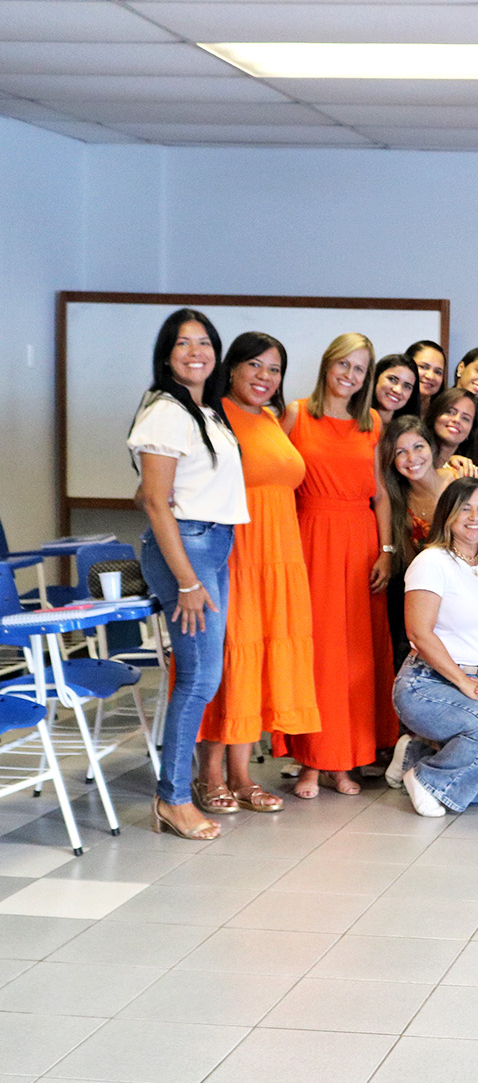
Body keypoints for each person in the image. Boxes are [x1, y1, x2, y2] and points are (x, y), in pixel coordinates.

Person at [129, 308, 249, 840]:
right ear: (166, 354)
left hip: (212, 543)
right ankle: (172, 799)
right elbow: (156, 502)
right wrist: (186, 581)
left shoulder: (205, 410)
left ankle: (174, 793)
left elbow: (149, 492)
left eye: (205, 342)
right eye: (183, 343)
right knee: (199, 677)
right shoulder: (164, 411)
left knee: (204, 675)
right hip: (189, 549)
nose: (196, 352)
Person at [193, 331, 318, 817]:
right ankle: (209, 776)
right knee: (229, 659)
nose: (265, 377)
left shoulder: (269, 419)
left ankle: (242, 776)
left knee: (259, 660)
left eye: (275, 369)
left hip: (279, 557)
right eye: (255, 365)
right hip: (236, 555)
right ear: (232, 367)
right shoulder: (213, 415)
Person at [280, 331, 397, 798]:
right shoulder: (295, 414)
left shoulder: (372, 422)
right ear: (328, 364)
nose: (350, 374)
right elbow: (276, 482)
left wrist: (386, 551)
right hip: (310, 541)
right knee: (318, 655)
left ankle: (345, 761)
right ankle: (312, 762)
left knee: (355, 659)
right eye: (343, 364)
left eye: (359, 368)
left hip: (360, 543)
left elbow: (381, 494)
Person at [390, 480, 478, 817]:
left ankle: (415, 753)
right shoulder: (432, 562)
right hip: (427, 683)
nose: (475, 516)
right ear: (447, 515)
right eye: (465, 508)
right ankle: (425, 778)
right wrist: (464, 682)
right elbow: (418, 633)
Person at [379, 416, 457, 670]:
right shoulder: (396, 501)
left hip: (460, 594)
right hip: (423, 599)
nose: (411, 458)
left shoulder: (458, 481)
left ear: (431, 447)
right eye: (400, 452)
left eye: (418, 447)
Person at [428, 386, 478, 471]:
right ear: (435, 415)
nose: (456, 420)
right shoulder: (414, 455)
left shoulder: (466, 469)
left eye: (465, 418)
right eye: (450, 412)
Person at [367, 352, 421, 427]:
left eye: (407, 386)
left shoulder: (410, 431)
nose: (398, 390)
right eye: (392, 379)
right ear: (376, 377)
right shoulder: (352, 418)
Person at [406, 339, 447, 413]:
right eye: (423, 367)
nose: (430, 376)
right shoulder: (391, 406)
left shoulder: (445, 413)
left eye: (437, 372)